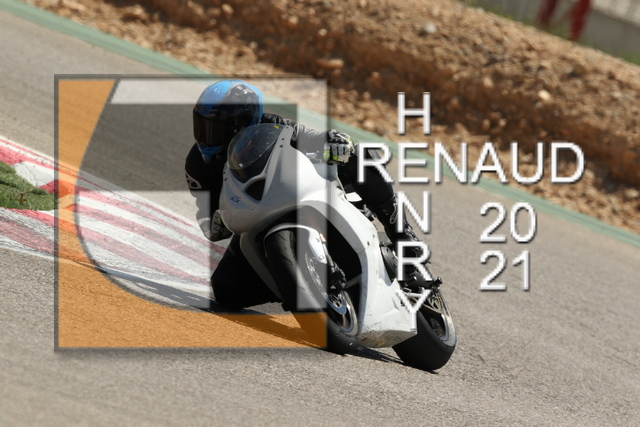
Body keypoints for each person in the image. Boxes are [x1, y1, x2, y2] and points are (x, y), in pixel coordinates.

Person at [185, 79, 423, 311]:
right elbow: (205, 218)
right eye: (202, 127)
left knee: (359, 155)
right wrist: (215, 222)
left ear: (243, 122)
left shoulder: (273, 126)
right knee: (225, 287)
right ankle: (292, 284)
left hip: (298, 191)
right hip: (254, 216)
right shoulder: (197, 165)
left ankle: (402, 233)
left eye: (215, 129)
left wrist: (334, 139)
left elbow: (311, 137)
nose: (206, 138)